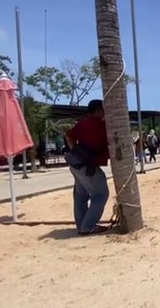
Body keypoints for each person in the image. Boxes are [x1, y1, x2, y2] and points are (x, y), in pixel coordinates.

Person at [64, 99, 110, 236]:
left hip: (75, 164)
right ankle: (88, 226)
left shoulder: (81, 123)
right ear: (100, 109)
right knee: (101, 194)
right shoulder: (102, 125)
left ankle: (81, 225)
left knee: (80, 196)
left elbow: (68, 136)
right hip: (88, 166)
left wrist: (76, 150)